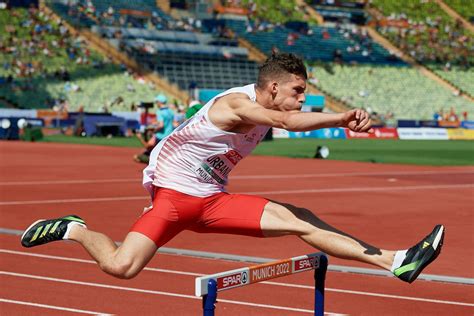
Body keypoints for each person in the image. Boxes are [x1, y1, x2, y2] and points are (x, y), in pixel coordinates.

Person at [21, 53, 444, 284]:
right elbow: (284, 120)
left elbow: (282, 118)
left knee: (300, 219)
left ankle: (397, 261)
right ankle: (73, 229)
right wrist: (338, 117)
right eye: (298, 92)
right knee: (121, 268)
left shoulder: (264, 105)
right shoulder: (238, 104)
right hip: (171, 198)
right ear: (273, 88)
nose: (302, 100)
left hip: (211, 201)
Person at [133, 94, 175, 164]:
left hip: (160, 136)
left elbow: (161, 125)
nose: (156, 104)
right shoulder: (170, 111)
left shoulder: (160, 112)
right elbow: (172, 123)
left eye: (157, 102)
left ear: (159, 102)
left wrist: (154, 131)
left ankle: (151, 162)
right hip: (169, 136)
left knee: (146, 150)